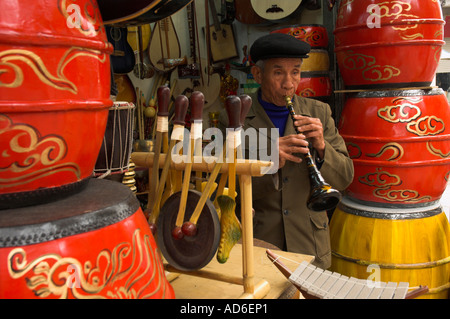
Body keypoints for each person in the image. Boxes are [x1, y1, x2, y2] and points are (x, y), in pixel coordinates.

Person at [219, 33, 354, 269]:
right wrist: (267, 159)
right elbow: (221, 187)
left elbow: (345, 177)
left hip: (309, 243)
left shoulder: (319, 112)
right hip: (259, 242)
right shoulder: (232, 117)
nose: (289, 84)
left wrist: (322, 146)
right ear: (258, 74)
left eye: (296, 72)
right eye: (278, 72)